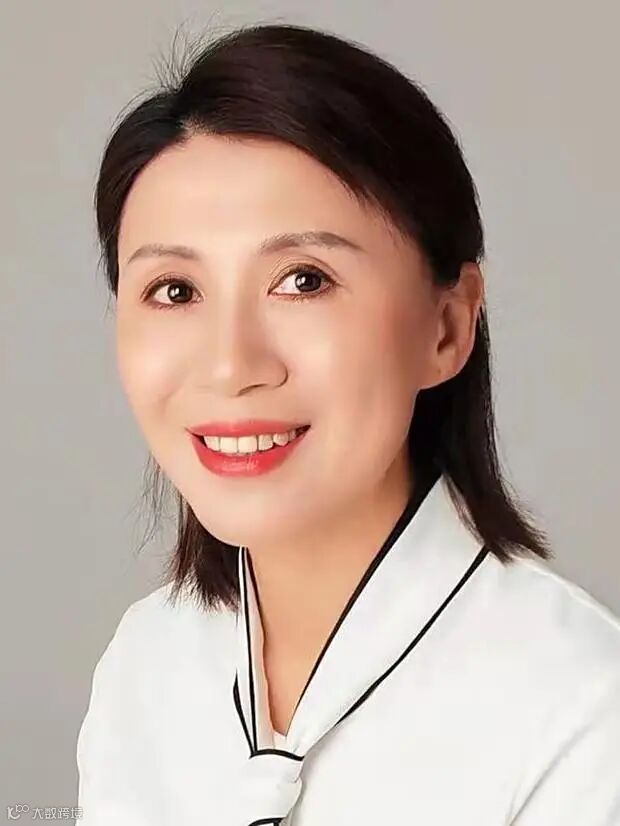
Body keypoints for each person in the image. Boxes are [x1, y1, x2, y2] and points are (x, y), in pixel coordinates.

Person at [76, 21, 620, 826]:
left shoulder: (582, 710)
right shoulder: (146, 663)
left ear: (447, 327)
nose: (229, 365)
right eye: (175, 291)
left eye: (303, 280)